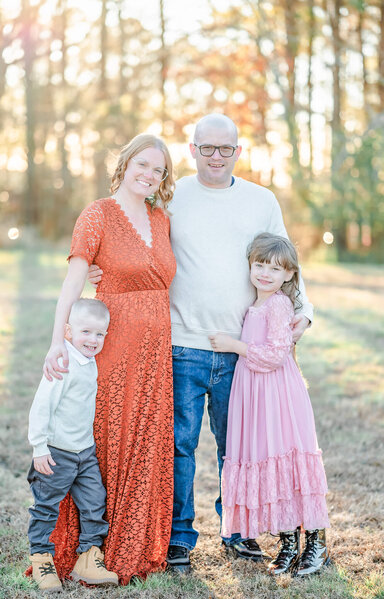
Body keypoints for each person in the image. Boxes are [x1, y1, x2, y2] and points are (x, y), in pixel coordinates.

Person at [88, 114, 314, 573]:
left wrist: (304, 310)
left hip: (240, 348)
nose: (215, 157)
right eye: (206, 148)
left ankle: (239, 532)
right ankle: (178, 538)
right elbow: (130, 231)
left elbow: (285, 257)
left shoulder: (261, 199)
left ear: (238, 151)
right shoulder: (171, 195)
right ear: (191, 150)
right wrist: (99, 268)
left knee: (239, 447)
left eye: (224, 149)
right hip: (181, 342)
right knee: (179, 447)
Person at [42, 134, 177, 584]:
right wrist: (57, 339)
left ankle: (134, 542)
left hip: (156, 352)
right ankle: (89, 549)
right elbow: (74, 280)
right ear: (125, 164)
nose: (149, 175)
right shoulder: (97, 214)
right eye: (142, 164)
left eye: (158, 170)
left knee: (144, 438)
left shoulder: (162, 219)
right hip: (111, 342)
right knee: (104, 435)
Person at [210, 233, 330, 577]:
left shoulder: (277, 304)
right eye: (259, 265)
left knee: (288, 459)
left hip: (276, 391)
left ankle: (316, 543)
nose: (265, 273)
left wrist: (235, 345)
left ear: (289, 275)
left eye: (275, 269)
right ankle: (289, 541)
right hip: (255, 391)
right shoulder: (257, 303)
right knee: (268, 459)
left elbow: (276, 355)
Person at [28, 298, 119, 591]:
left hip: (85, 452)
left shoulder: (89, 360)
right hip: (56, 453)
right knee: (46, 507)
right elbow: (42, 405)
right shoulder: (63, 361)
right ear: (67, 332)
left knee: (95, 503)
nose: (93, 340)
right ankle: (42, 558)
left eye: (100, 334)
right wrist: (39, 447)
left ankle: (88, 559)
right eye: (86, 332)